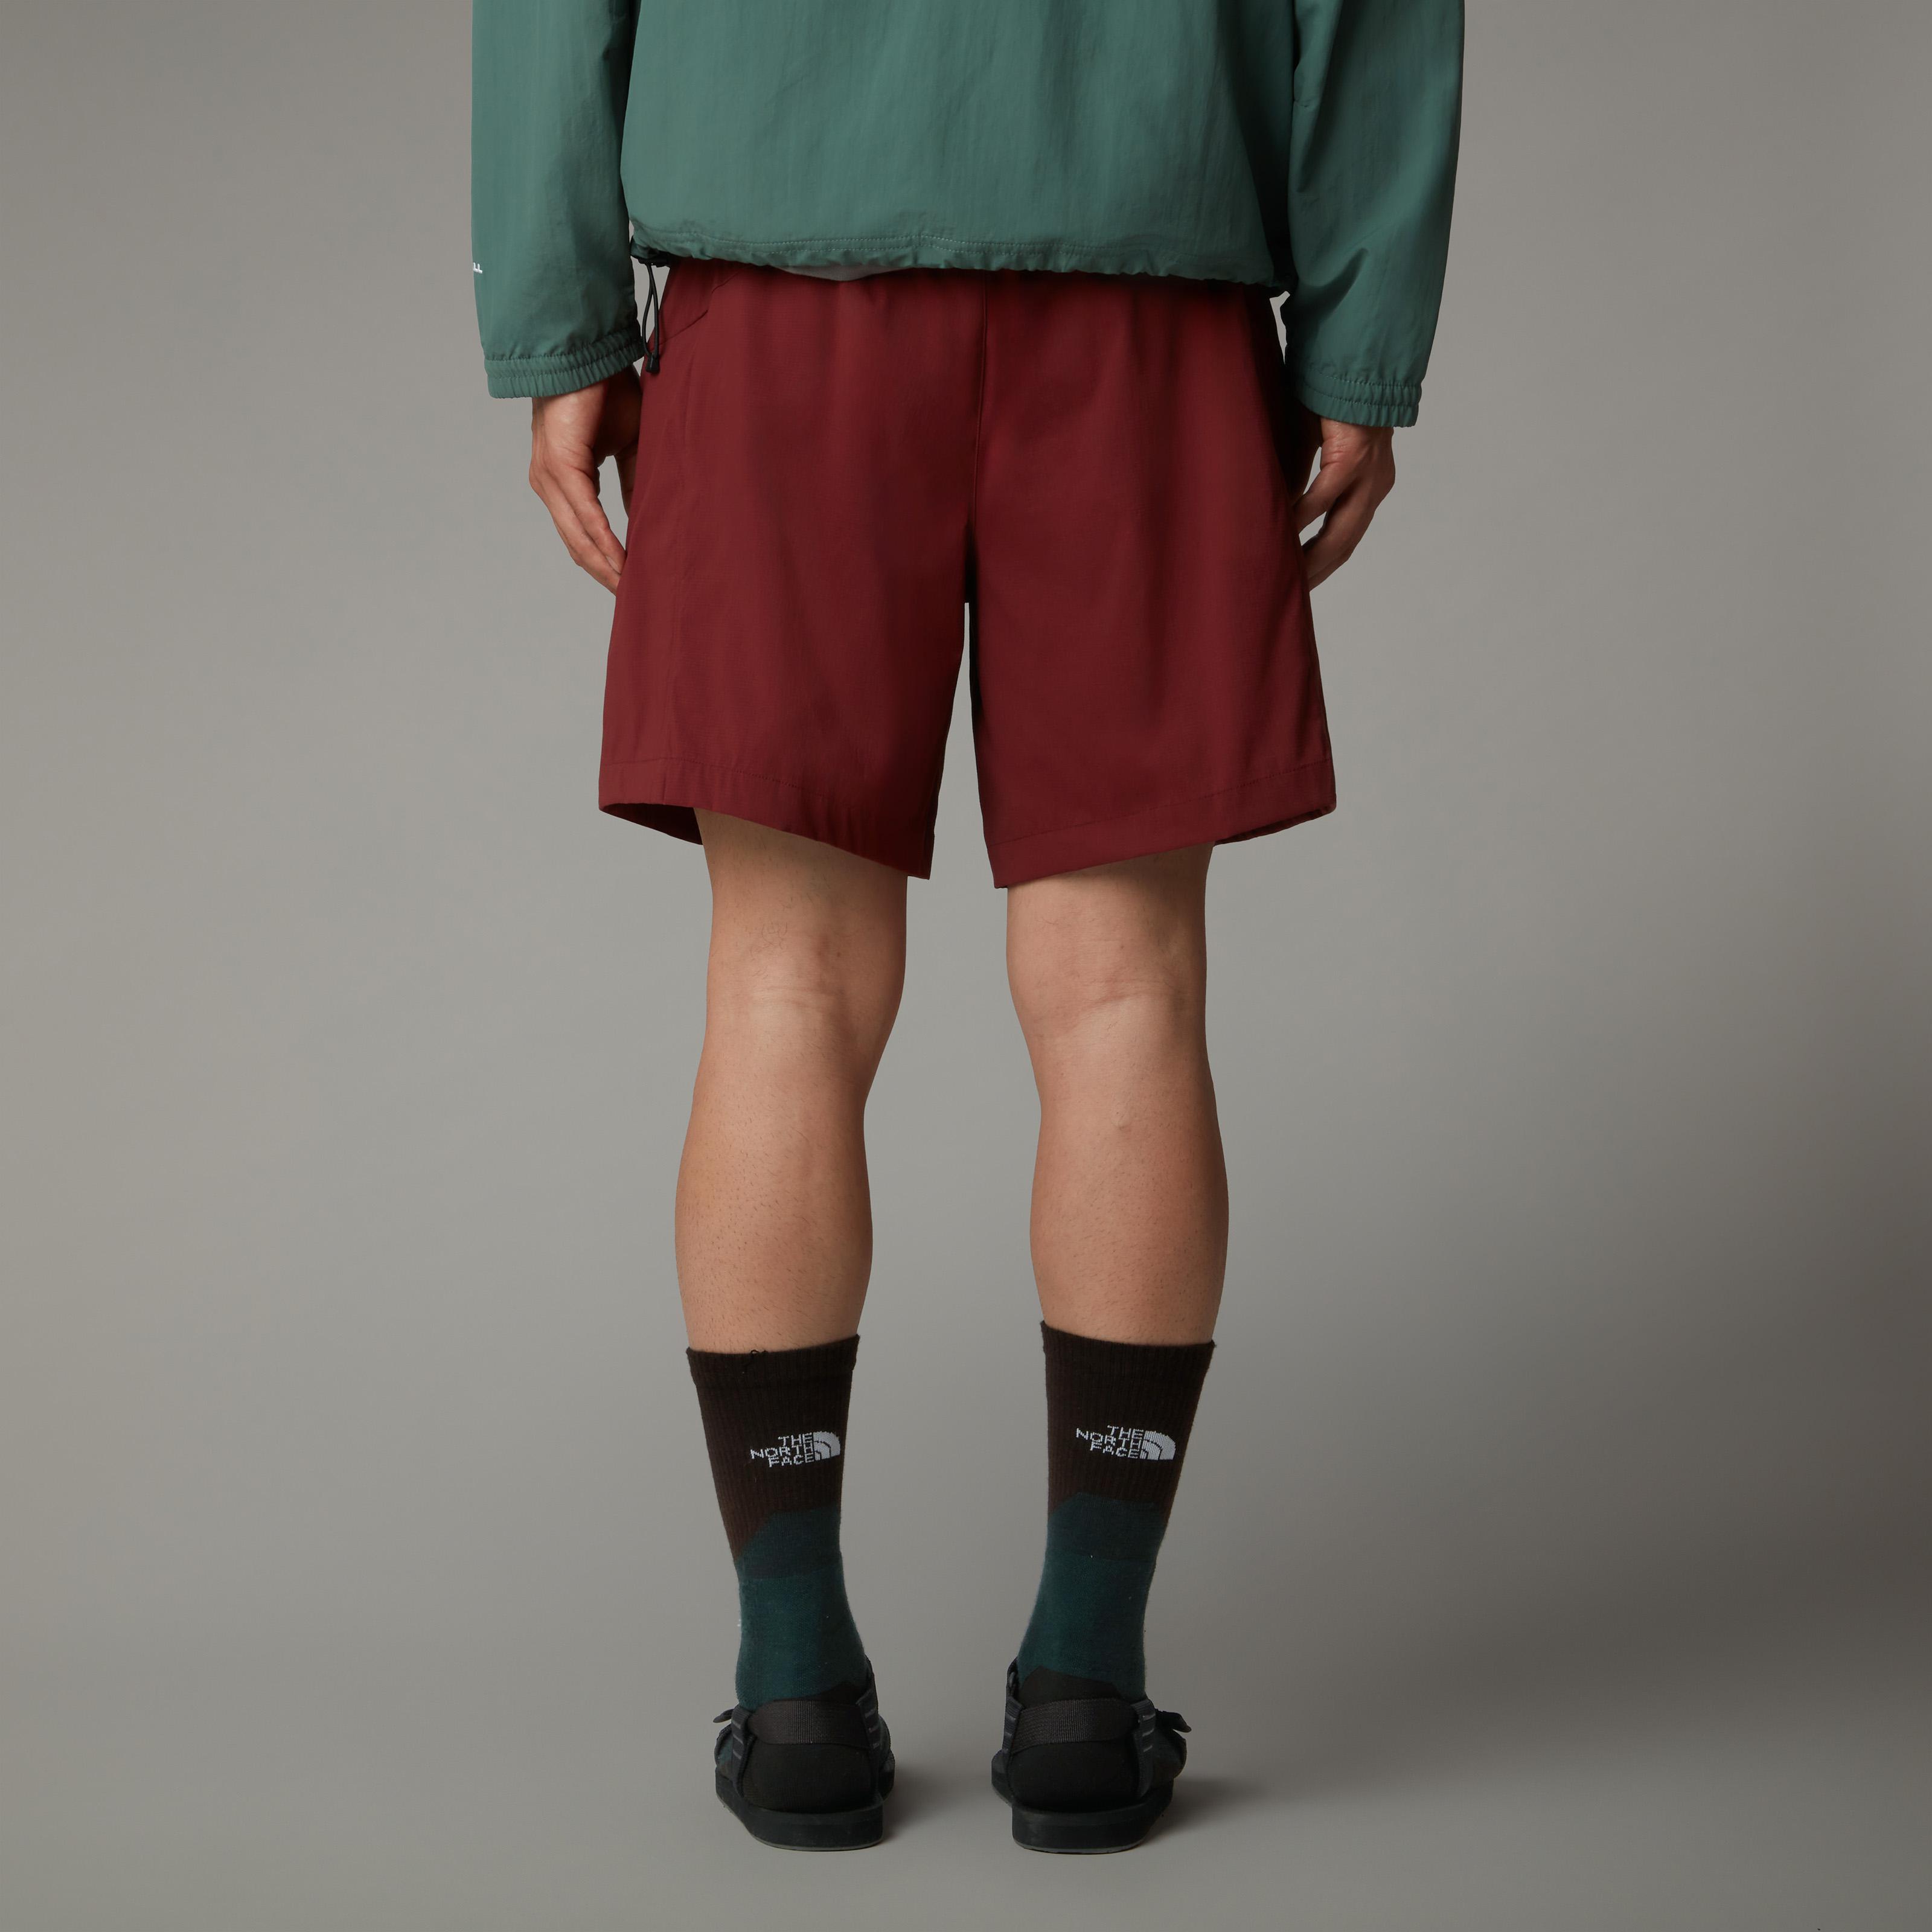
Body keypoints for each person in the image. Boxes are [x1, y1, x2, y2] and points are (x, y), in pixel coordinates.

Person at [472, 0, 1461, 1854]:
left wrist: (559, 318)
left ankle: (794, 1694)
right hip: (1150, 269)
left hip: (781, 278)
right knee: (1124, 993)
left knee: (783, 985)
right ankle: (1086, 1684)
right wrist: (1364, 331)